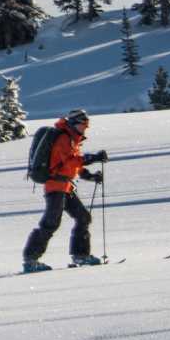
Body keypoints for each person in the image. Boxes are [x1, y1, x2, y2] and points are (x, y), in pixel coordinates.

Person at [22, 109, 109, 272]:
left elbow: (73, 165)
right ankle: (30, 260)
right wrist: (92, 158)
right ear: (74, 123)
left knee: (83, 217)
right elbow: (67, 163)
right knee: (50, 223)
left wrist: (89, 176)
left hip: (65, 186)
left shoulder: (72, 139)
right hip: (55, 187)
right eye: (84, 125)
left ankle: (80, 255)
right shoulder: (64, 138)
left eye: (86, 125)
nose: (85, 128)